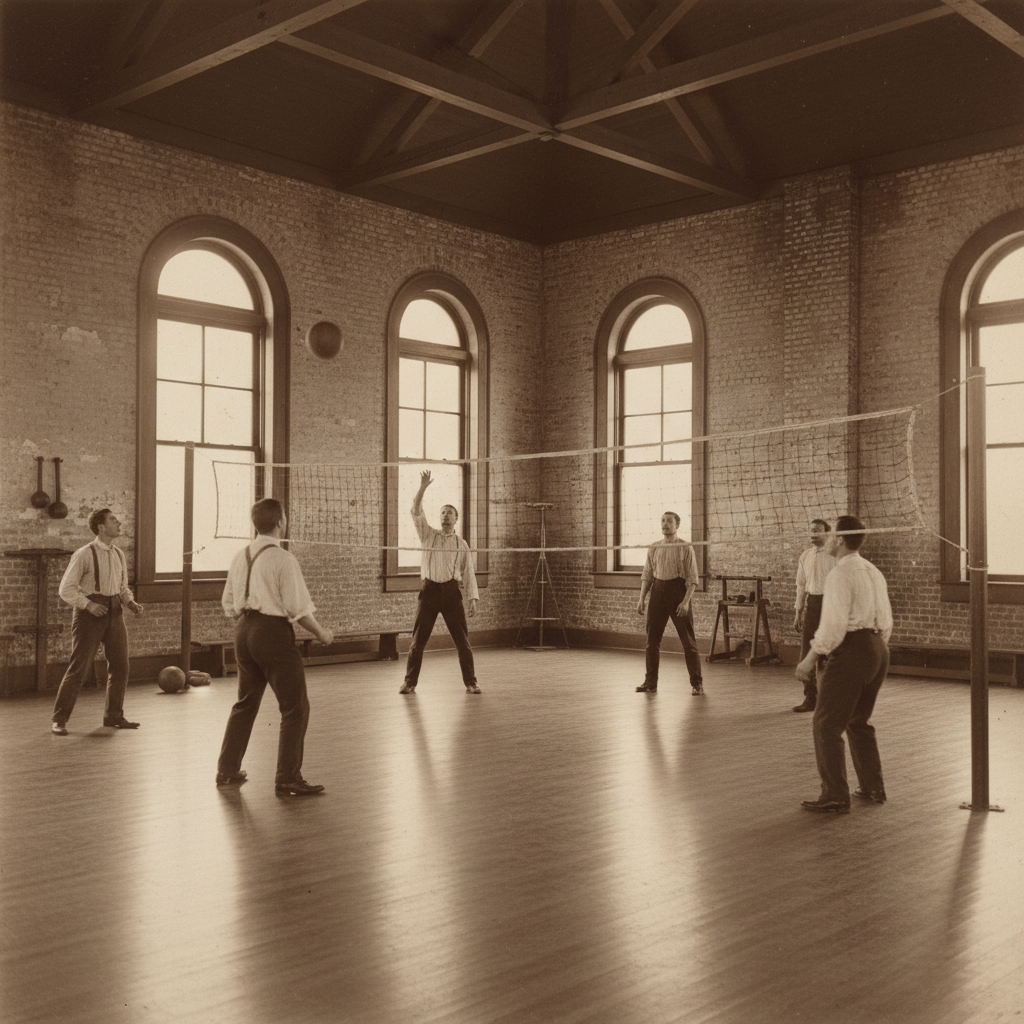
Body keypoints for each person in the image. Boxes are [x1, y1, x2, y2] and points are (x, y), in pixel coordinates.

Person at [216, 498, 334, 795]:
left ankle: (227, 770)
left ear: (254, 523)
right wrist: (322, 633)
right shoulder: (283, 559)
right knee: (295, 707)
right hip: (271, 634)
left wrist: (248, 619)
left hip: (243, 631)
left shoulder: (239, 555)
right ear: (281, 521)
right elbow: (298, 609)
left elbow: (228, 603)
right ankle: (287, 778)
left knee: (245, 703)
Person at [795, 515, 893, 813]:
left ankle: (835, 795)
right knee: (858, 721)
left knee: (825, 725)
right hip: (878, 649)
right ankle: (873, 787)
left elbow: (833, 627)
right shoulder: (872, 570)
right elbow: (887, 621)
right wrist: (873, 650)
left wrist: (809, 659)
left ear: (838, 539)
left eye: (830, 534)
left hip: (852, 650)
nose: (825, 539)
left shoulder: (839, 574)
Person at [51, 509, 144, 735]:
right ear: (101, 526)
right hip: (89, 615)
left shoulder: (119, 554)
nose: (118, 523)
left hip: (115, 613)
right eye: (113, 520)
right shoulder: (83, 554)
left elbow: (122, 588)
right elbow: (65, 589)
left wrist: (130, 602)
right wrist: (89, 605)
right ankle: (59, 720)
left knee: (121, 665)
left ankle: (114, 716)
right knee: (79, 669)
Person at [400, 469, 481, 694]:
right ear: (440, 517)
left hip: (451, 594)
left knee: (463, 642)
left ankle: (471, 682)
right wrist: (423, 486)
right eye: (443, 512)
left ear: (456, 519)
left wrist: (473, 598)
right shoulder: (428, 534)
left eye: (450, 513)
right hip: (429, 592)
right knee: (418, 642)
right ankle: (409, 682)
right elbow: (416, 510)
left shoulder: (461, 544)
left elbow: (468, 573)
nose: (446, 515)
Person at [635, 511, 704, 695]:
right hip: (657, 592)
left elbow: (693, 578)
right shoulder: (655, 547)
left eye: (669, 521)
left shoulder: (685, 547)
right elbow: (647, 575)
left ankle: (697, 683)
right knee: (651, 641)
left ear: (677, 525)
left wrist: (686, 601)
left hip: (678, 593)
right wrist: (642, 598)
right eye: (663, 521)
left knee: (688, 641)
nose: (665, 524)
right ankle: (650, 682)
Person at [791, 519, 837, 713]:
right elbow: (801, 585)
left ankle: (831, 701)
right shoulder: (805, 556)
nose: (813, 534)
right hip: (812, 605)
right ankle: (811, 698)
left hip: (831, 605)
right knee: (806, 654)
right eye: (811, 530)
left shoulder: (835, 555)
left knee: (829, 655)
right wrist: (798, 612)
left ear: (827, 533)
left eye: (817, 531)